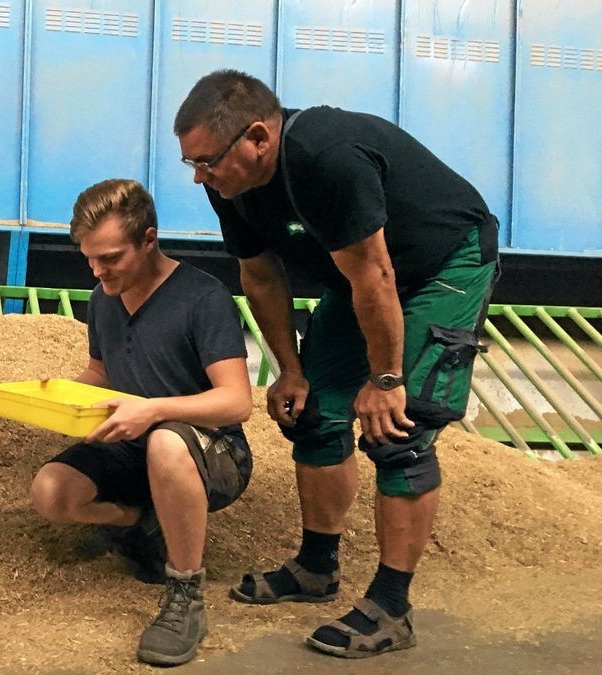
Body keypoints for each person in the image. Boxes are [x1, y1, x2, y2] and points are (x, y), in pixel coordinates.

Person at [174, 70, 499, 658]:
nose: (200, 176)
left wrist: (387, 379)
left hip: (440, 265)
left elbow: (377, 275)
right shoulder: (229, 184)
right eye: (191, 164)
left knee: (398, 429)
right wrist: (290, 369)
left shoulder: (328, 158)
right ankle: (316, 567)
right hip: (362, 278)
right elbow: (260, 274)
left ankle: (391, 609)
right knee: (313, 412)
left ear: (257, 138)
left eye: (207, 161)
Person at [29, 179, 254, 667]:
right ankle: (143, 523)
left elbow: (236, 401)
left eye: (110, 257)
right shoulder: (103, 297)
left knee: (167, 444)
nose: (97, 269)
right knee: (50, 492)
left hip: (209, 452)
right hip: (133, 443)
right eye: (89, 257)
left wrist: (155, 409)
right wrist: (57, 393)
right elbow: (101, 374)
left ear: (149, 239)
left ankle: (185, 594)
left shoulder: (203, 297)